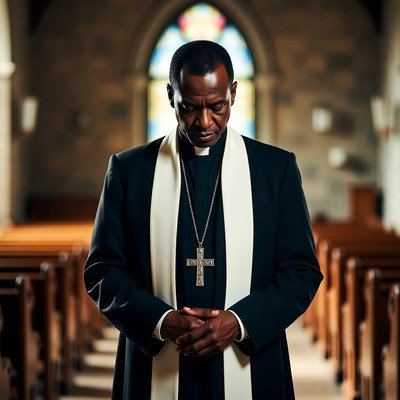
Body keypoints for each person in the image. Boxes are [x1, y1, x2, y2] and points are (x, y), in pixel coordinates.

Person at [84, 40, 323, 400]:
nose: (205, 121)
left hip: (250, 359)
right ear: (170, 95)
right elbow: (102, 270)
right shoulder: (130, 171)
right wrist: (162, 322)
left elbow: (302, 271)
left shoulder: (275, 170)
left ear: (234, 93)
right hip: (157, 360)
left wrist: (239, 323)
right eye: (190, 108)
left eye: (217, 106)